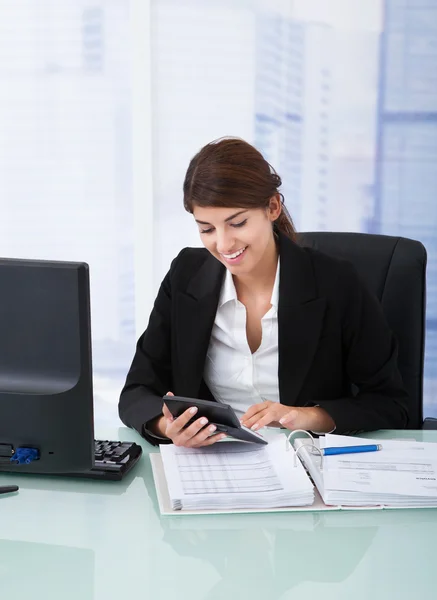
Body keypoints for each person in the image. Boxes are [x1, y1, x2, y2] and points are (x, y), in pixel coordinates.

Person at [119, 137, 408, 447]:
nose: (224, 244)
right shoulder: (186, 275)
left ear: (272, 207)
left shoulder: (336, 283)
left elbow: (391, 405)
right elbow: (137, 392)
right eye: (207, 229)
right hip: (213, 463)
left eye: (237, 223)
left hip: (309, 462)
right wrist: (168, 426)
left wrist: (306, 416)